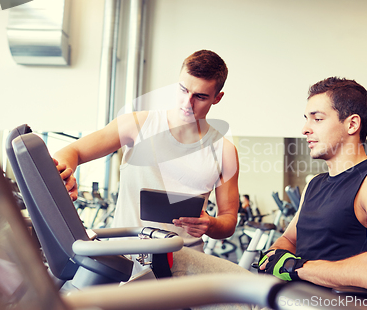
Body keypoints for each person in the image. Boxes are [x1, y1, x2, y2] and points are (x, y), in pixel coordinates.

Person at [54, 50, 248, 281]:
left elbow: (228, 221)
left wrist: (210, 224)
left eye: (200, 96)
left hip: (183, 265)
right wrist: (65, 171)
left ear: (217, 98)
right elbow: (72, 152)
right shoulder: (136, 124)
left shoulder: (224, 150)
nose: (187, 103)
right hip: (123, 259)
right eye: (183, 90)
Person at [258, 77, 367, 296]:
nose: (305, 129)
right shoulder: (315, 184)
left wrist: (297, 268)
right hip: (297, 299)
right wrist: (276, 257)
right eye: (306, 119)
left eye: (317, 119)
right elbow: (289, 239)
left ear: (352, 124)